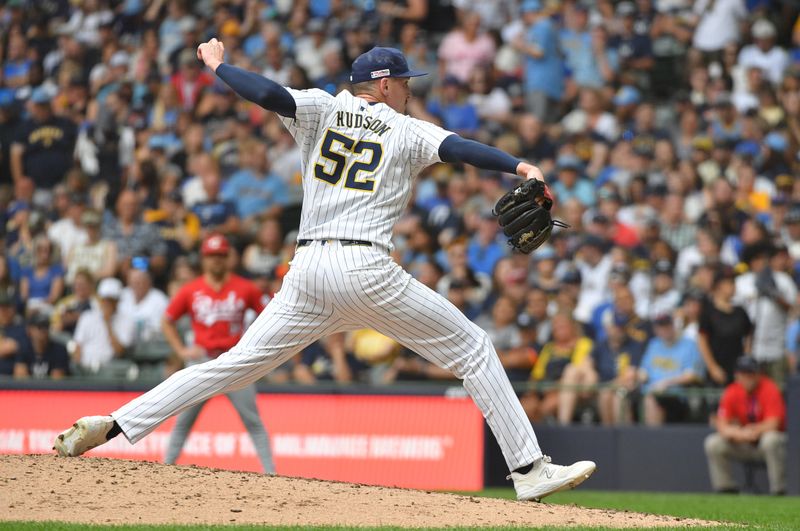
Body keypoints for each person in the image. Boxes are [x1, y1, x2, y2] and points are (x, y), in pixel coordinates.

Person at [54, 41, 595, 502]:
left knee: (232, 366)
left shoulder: (320, 107)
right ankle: (528, 471)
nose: (408, 88)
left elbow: (267, 95)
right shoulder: (405, 130)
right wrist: (520, 165)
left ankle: (116, 423)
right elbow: (460, 149)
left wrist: (218, 66)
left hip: (309, 270)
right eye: (402, 80)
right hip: (365, 268)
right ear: (381, 86)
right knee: (473, 348)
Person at [159, 234, 275, 474]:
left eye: (221, 256)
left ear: (228, 258)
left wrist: (255, 348)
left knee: (253, 421)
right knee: (183, 421)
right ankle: (165, 468)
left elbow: (269, 317)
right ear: (204, 259)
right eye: (212, 256)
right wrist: (181, 350)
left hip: (235, 361)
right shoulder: (191, 290)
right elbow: (167, 320)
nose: (217, 261)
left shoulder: (245, 287)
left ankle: (271, 473)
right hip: (202, 360)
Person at [704, 356, 787, 495]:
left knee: (771, 439)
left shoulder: (769, 388)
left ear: (757, 374)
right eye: (744, 374)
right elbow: (722, 425)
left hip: (763, 442)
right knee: (713, 442)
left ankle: (779, 490)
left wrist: (754, 430)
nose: (748, 378)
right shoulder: (732, 391)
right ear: (737, 375)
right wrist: (741, 434)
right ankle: (726, 488)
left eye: (751, 373)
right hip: (742, 442)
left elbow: (774, 423)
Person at [638, 314, 704, 426]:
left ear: (673, 326)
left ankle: (651, 439)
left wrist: (666, 383)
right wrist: (638, 376)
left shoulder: (689, 345)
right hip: (650, 391)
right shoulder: (654, 344)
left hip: (677, 395)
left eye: (667, 326)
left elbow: (691, 375)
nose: (665, 330)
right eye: (661, 327)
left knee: (651, 399)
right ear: (656, 329)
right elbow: (643, 371)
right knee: (622, 395)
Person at [71, 277, 134, 373]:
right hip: (84, 369)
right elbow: (77, 347)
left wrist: (107, 322)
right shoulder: (87, 316)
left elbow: (120, 351)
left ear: (117, 301)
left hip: (110, 370)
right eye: (104, 299)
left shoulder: (127, 320)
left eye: (111, 300)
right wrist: (78, 368)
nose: (107, 303)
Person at [14, 312, 69, 379]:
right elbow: (20, 379)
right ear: (29, 330)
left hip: (49, 389)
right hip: (29, 389)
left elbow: (57, 382)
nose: (43, 330)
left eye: (46, 326)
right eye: (39, 326)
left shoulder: (59, 350)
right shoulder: (23, 348)